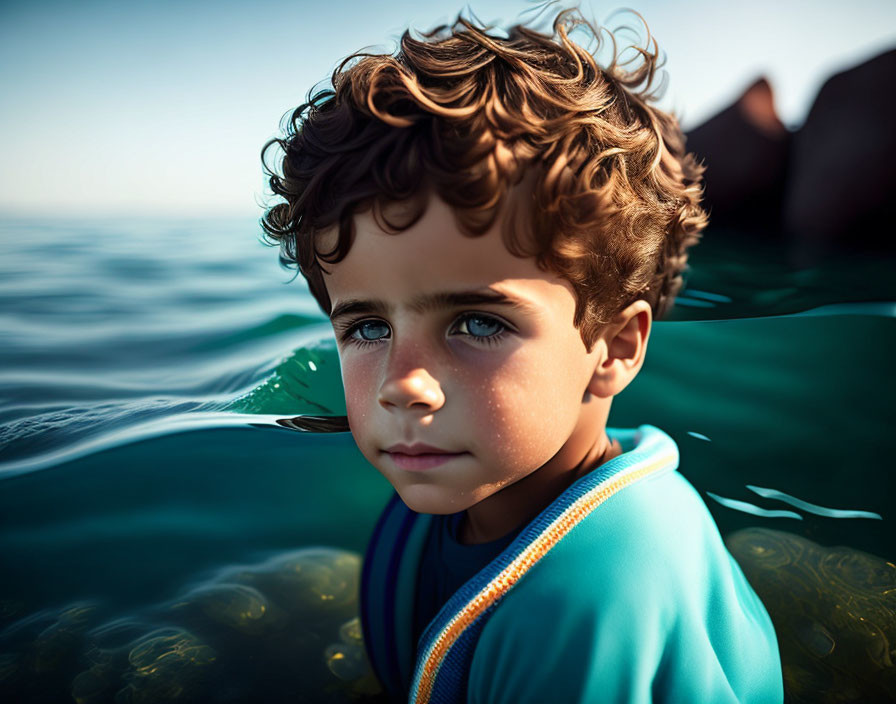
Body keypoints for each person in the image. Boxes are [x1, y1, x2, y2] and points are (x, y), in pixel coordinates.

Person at [261, 8, 784, 703]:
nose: (403, 386)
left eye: (476, 324)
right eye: (368, 328)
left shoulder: (592, 601)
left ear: (614, 348)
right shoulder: (477, 486)